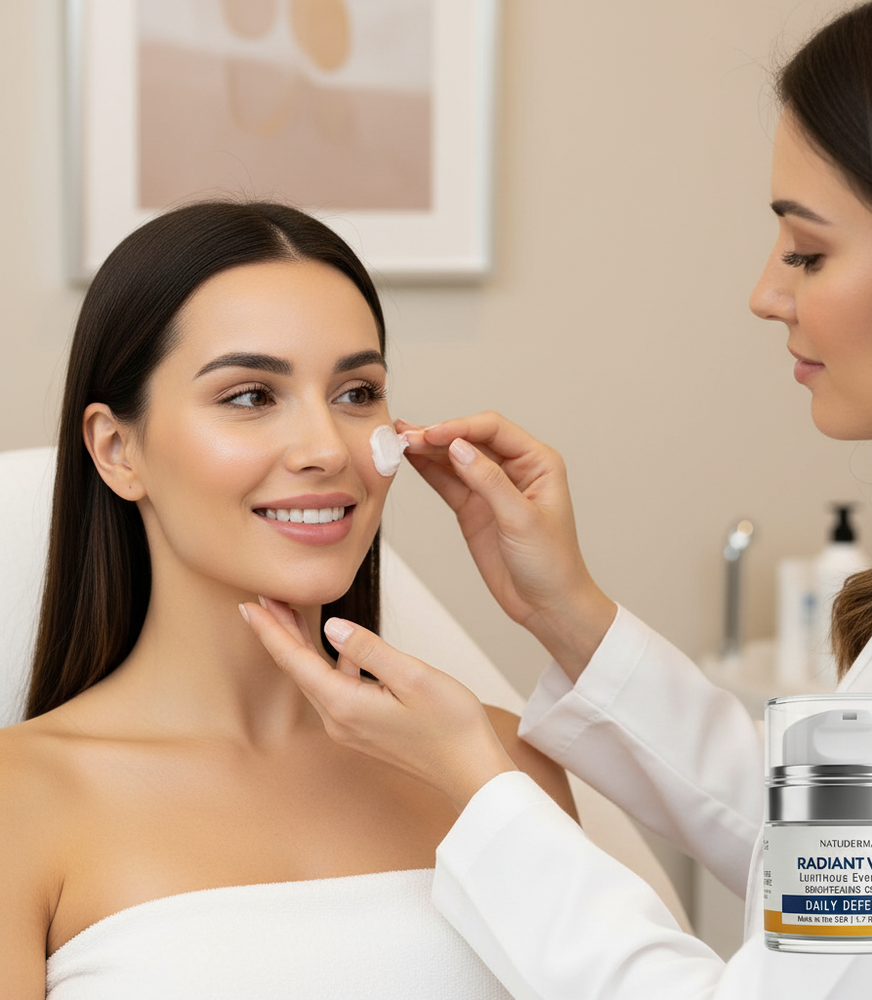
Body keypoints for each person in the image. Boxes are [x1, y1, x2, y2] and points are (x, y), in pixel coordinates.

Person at [243, 1, 872, 997]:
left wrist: (483, 783)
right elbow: (846, 873)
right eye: (250, 395)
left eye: (807, 252)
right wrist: (572, 617)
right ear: (113, 448)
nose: (765, 294)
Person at [0, 200, 575, 998]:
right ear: (116, 449)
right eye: (249, 396)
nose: (326, 449)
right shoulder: (20, 802)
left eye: (356, 393)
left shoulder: (505, 764)